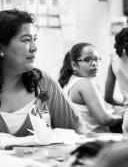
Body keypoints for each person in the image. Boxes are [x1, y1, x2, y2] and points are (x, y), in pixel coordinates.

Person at [0, 9, 85, 137]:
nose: (34, 47)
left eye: (34, 39)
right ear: (1, 47)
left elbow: (77, 131)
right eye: (26, 40)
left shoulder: (43, 83)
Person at [59, 43, 122, 133]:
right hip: (95, 140)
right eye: (88, 60)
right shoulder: (84, 83)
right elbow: (104, 119)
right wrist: (121, 114)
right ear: (74, 65)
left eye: (96, 59)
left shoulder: (69, 84)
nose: (94, 63)